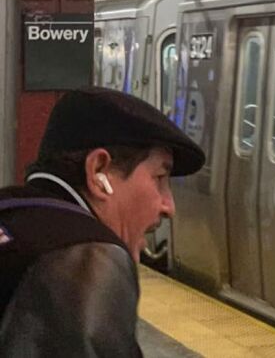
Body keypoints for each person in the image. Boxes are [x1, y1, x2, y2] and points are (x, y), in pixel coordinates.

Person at [0, 86, 205, 357]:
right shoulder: (87, 258)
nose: (168, 206)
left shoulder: (12, 215)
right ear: (99, 171)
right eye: (159, 178)